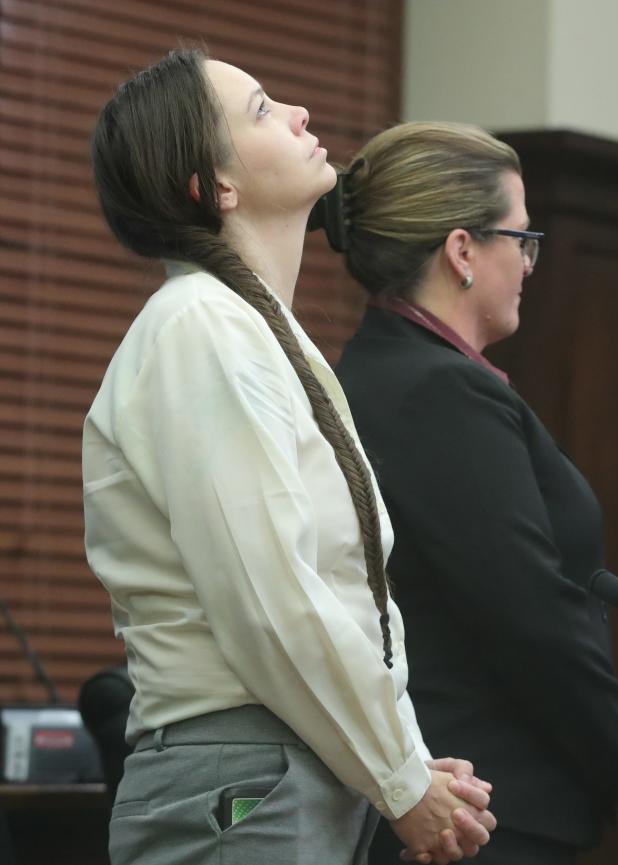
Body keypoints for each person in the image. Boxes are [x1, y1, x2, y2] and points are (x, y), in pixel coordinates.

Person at [83, 49, 495, 865]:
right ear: (216, 187)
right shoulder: (198, 325)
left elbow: (343, 593)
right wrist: (401, 777)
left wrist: (403, 760)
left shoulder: (251, 329)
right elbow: (270, 598)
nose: (302, 114)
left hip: (282, 767)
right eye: (265, 109)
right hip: (240, 772)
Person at [330, 121, 618, 865]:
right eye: (520, 239)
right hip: (485, 813)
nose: (529, 263)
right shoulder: (436, 391)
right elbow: (532, 615)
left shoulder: (383, 370)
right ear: (463, 250)